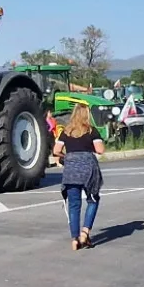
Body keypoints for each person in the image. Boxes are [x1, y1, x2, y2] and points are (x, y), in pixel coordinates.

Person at [52, 103, 106, 251]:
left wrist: (68, 156)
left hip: (71, 170)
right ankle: (85, 232)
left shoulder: (66, 132)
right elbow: (100, 150)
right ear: (86, 115)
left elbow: (56, 150)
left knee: (74, 205)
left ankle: (75, 239)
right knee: (93, 200)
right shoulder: (91, 131)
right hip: (88, 169)